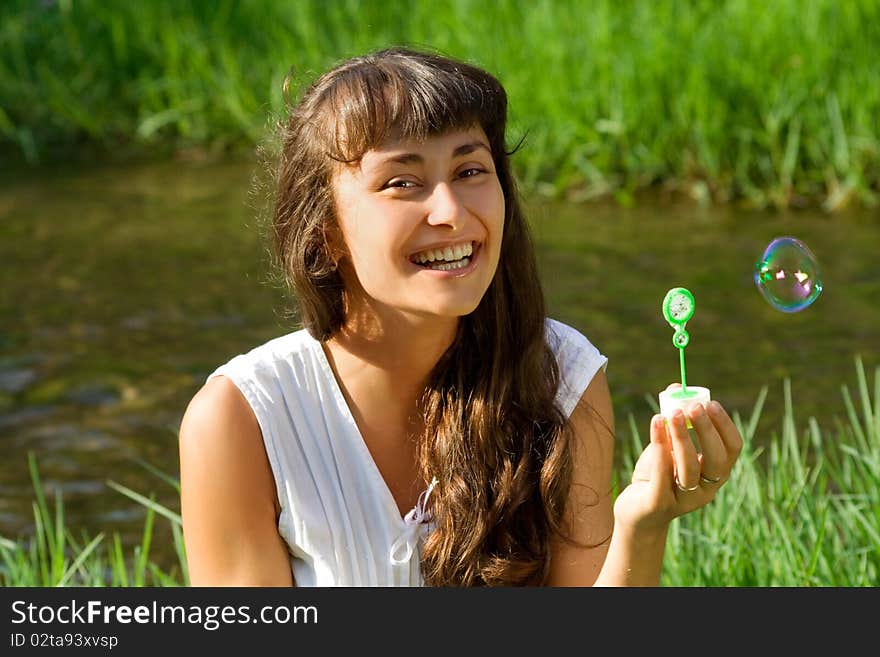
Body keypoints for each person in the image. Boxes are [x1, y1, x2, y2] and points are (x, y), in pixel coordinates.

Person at [178, 46, 743, 587]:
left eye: (471, 170)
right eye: (402, 182)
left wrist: (641, 525)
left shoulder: (562, 376)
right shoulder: (243, 419)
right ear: (326, 234)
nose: (451, 212)